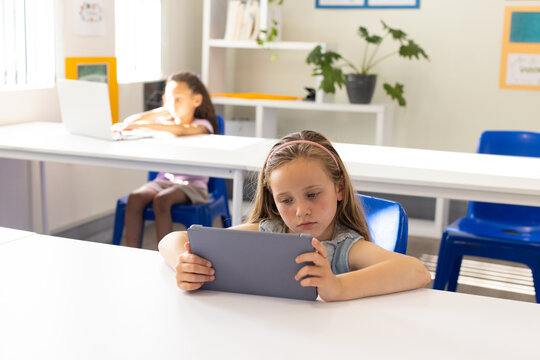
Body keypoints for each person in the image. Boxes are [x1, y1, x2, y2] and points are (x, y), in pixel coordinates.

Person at [159, 130, 431, 302]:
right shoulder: (270, 232)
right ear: (273, 202)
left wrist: (338, 287)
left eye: (312, 194)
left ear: (338, 189)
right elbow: (172, 239)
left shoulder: (346, 246)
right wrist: (184, 264)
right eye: (286, 200)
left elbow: (416, 271)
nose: (301, 211)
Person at [116, 71, 218, 248]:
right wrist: (165, 109)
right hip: (164, 180)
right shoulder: (166, 120)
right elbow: (129, 120)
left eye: (179, 99)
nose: (173, 104)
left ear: (196, 100)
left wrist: (141, 125)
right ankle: (131, 253)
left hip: (193, 186)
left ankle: (165, 254)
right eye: (169, 98)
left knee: (162, 200)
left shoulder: (203, 126)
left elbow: (180, 131)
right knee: (135, 199)